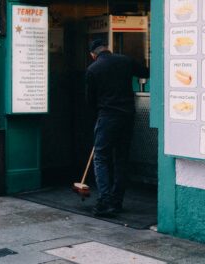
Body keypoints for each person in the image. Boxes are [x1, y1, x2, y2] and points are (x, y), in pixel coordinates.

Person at [85, 39, 149, 216]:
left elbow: (90, 100)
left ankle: (104, 201)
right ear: (107, 49)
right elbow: (146, 72)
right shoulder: (125, 61)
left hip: (107, 116)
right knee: (121, 158)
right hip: (127, 116)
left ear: (93, 55)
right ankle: (117, 201)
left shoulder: (93, 69)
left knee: (101, 157)